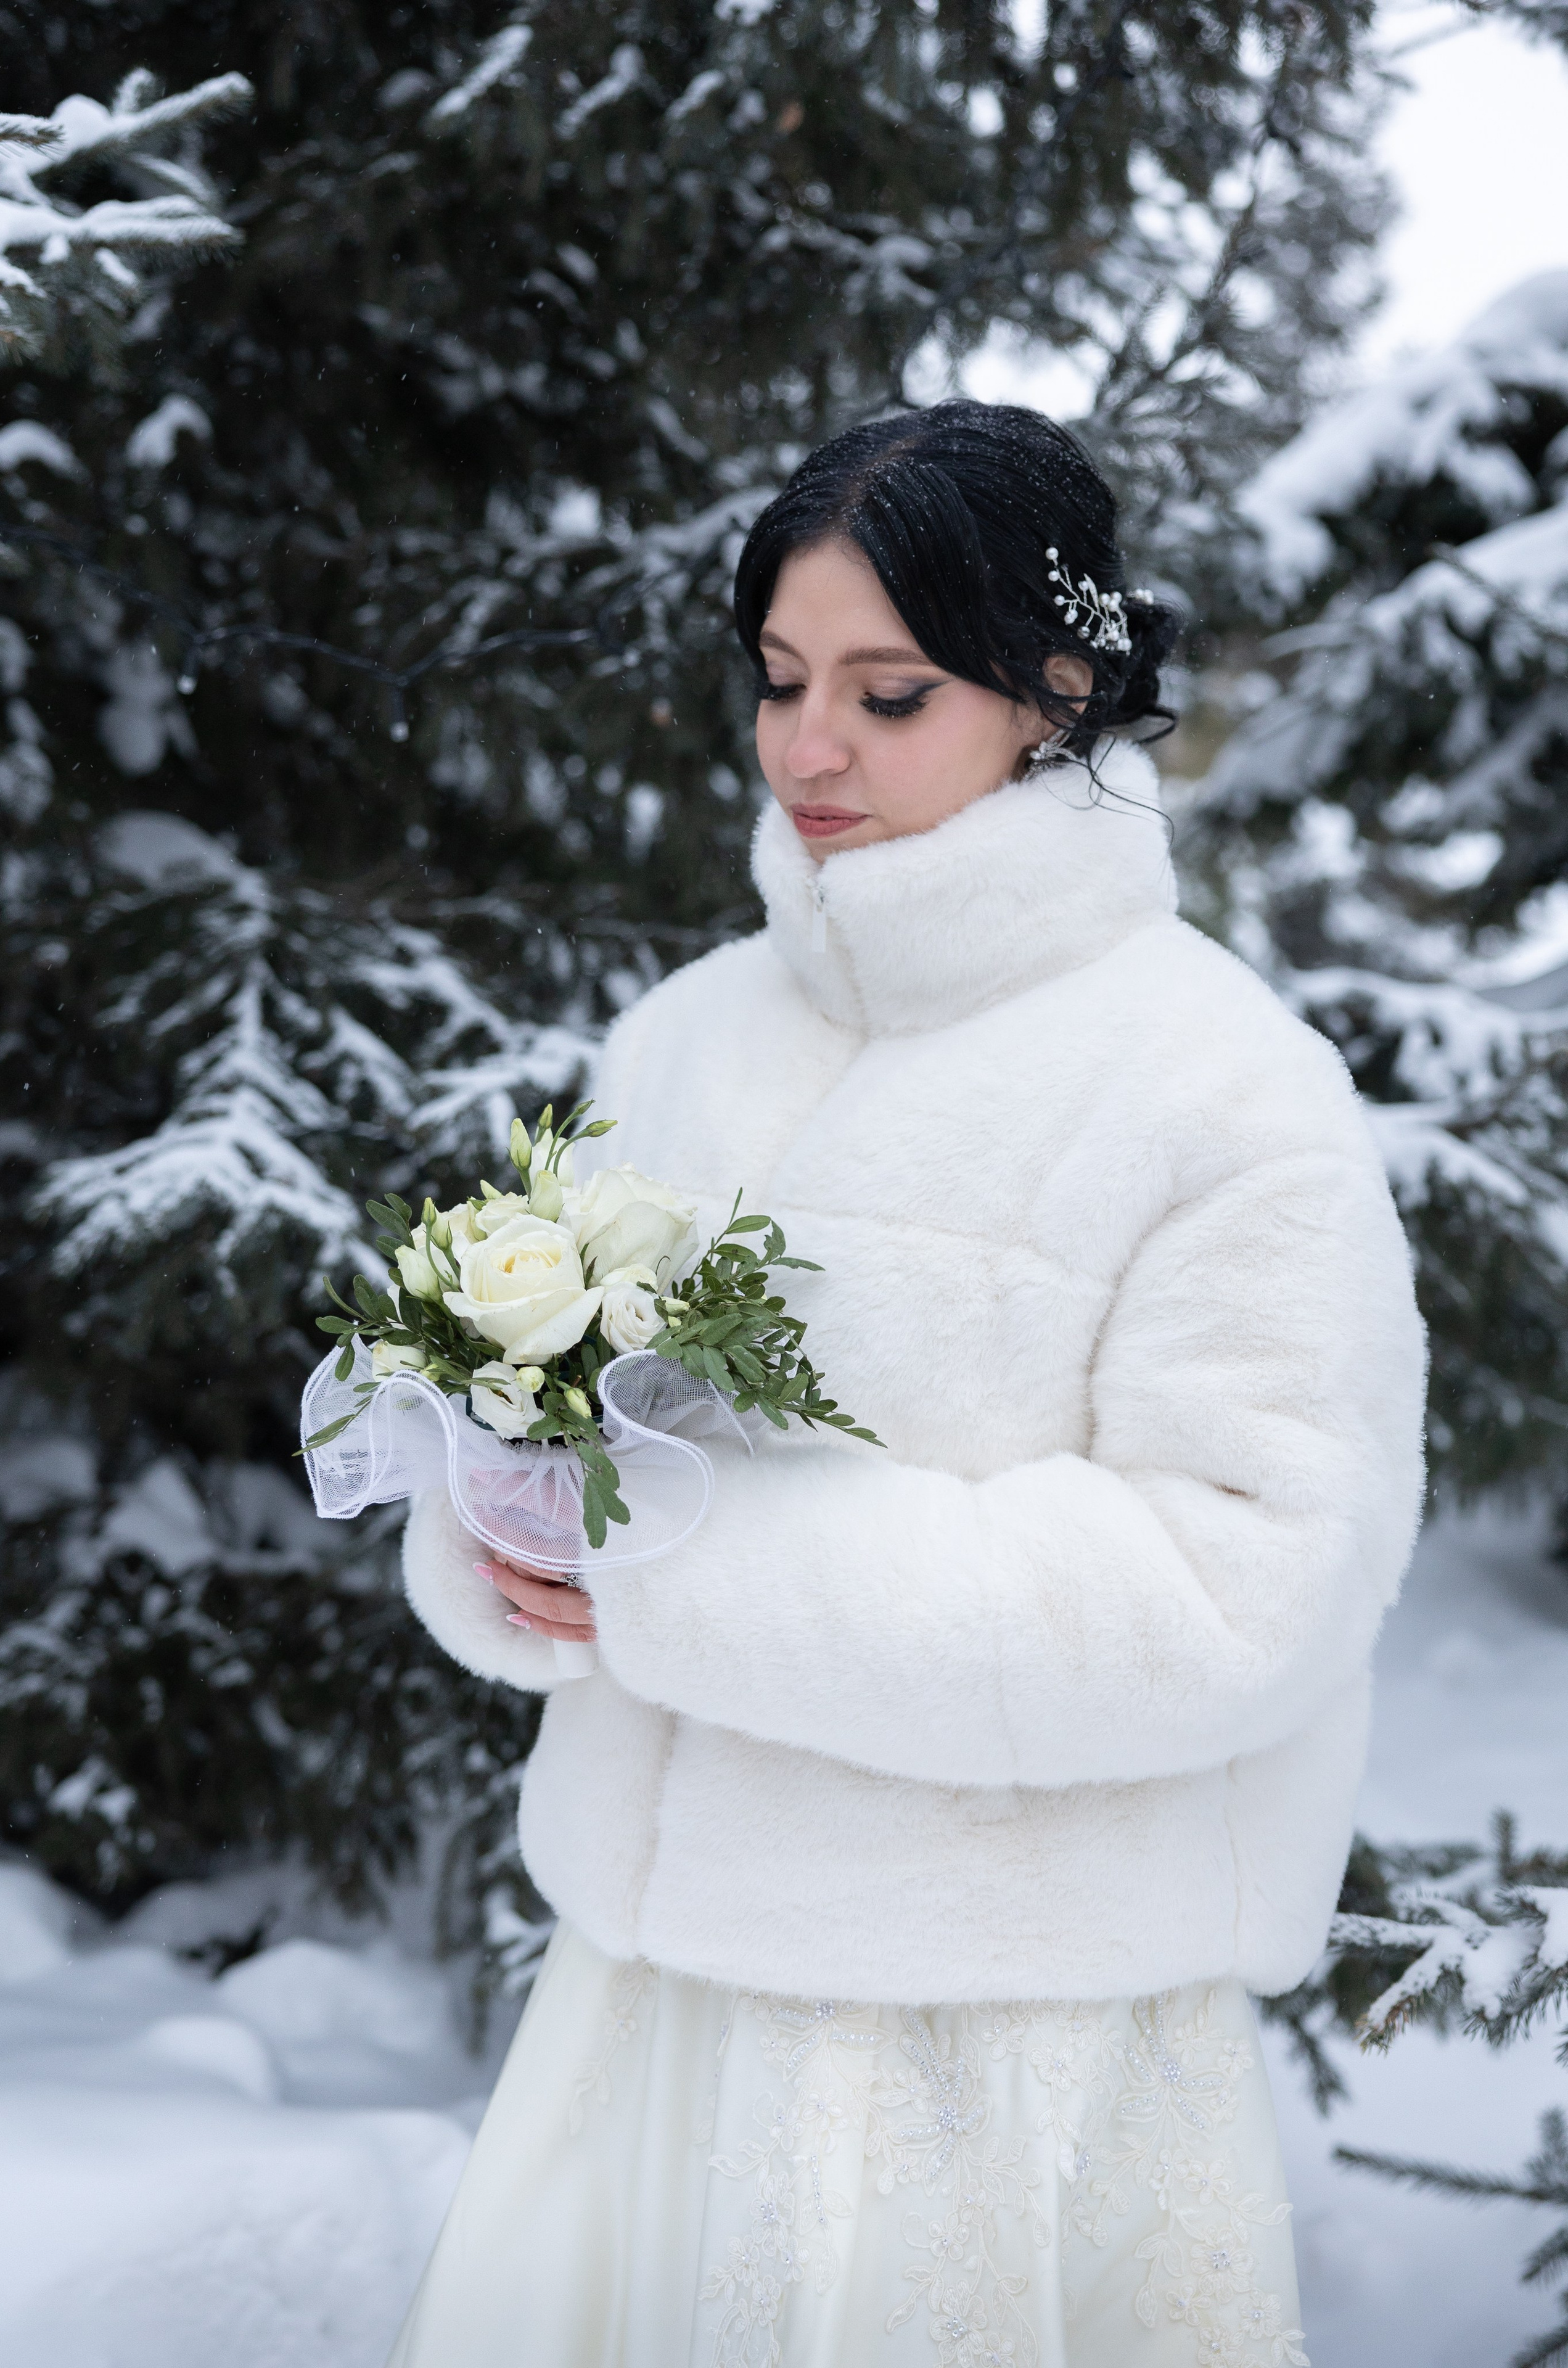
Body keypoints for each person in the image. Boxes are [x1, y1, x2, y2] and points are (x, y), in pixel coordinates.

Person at [388, 401, 1426, 2368]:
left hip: (998, 2045)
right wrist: (508, 1527)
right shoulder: (689, 1035)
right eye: (780, 681)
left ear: (1056, 691)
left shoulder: (1223, 1089)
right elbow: (584, 1438)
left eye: (891, 691)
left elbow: (1245, 1594)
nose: (808, 751)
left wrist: (686, 1581)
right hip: (652, 2006)